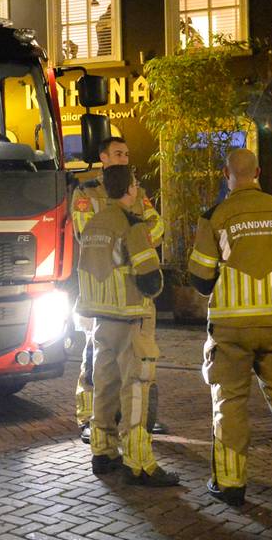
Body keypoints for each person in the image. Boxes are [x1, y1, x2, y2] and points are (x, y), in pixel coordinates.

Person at [188, 149, 272, 511]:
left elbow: (200, 279)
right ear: (258, 172)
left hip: (231, 329)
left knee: (229, 403)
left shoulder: (215, 216)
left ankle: (230, 485)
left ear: (225, 174)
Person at [77, 165, 179, 486]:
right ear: (131, 189)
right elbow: (149, 278)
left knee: (104, 383)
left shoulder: (93, 223)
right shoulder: (130, 224)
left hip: (100, 319)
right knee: (135, 384)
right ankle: (138, 462)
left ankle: (103, 451)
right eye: (135, 184)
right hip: (130, 316)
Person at [70, 136, 166, 444]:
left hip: (127, 291)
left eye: (126, 153)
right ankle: (88, 419)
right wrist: (131, 238)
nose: (124, 158)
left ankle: (129, 419)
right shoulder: (87, 192)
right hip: (99, 287)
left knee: (129, 362)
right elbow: (87, 232)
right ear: (103, 157)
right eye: (118, 153)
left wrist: (133, 240)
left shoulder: (138, 191)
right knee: (93, 359)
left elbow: (158, 227)